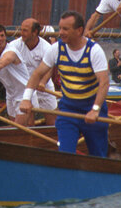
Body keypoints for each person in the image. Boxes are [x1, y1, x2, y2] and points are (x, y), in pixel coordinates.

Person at [19, 12, 110, 157]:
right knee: (65, 155)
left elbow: (104, 83)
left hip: (91, 107)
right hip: (68, 109)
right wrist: (26, 98)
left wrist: (95, 110)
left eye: (65, 29)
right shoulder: (56, 49)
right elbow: (37, 74)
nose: (60, 32)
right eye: (60, 28)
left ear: (79, 30)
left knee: (98, 155)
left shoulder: (94, 51)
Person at [9, 17, 58, 122]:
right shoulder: (14, 45)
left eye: (25, 30)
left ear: (35, 32)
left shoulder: (47, 48)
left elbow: (49, 69)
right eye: (21, 30)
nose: (21, 33)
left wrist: (43, 82)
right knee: (28, 121)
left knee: (52, 121)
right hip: (24, 88)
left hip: (43, 87)